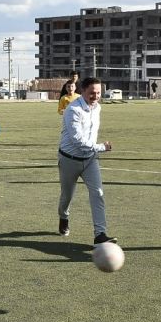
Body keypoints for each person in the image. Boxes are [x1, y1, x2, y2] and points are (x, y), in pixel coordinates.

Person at [56, 77, 116, 245]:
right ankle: (64, 216)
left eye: (98, 93)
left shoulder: (98, 108)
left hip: (90, 160)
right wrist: (101, 147)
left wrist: (96, 149)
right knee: (66, 197)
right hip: (69, 160)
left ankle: (100, 235)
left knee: (98, 193)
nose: (95, 96)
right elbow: (78, 141)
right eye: (92, 93)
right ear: (82, 91)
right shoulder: (73, 110)